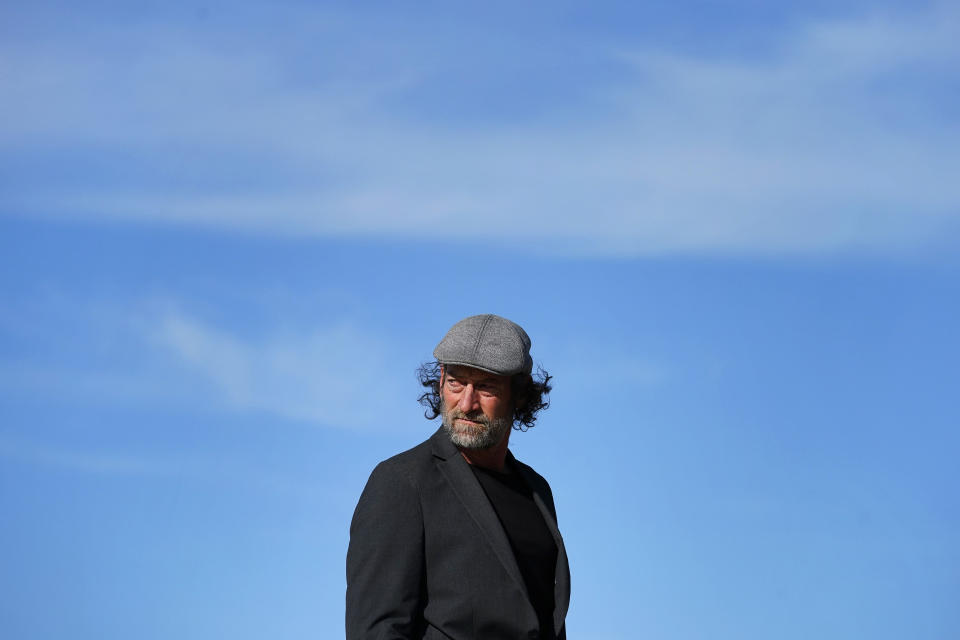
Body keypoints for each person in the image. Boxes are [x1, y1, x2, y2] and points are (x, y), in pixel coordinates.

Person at [346, 314, 570, 640]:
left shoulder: (537, 491)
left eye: (485, 386)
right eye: (456, 383)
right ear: (439, 381)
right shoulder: (401, 482)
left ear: (519, 394)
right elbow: (377, 631)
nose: (467, 403)